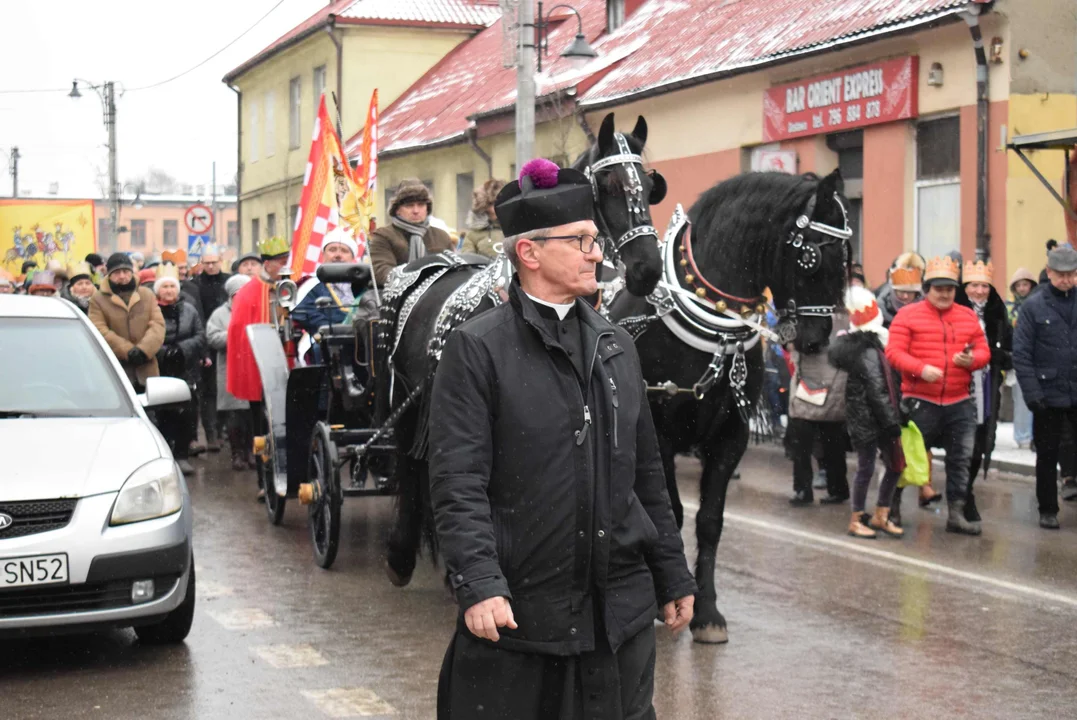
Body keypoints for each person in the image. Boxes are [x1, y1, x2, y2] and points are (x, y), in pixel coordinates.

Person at [429, 159, 696, 719]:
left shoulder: (617, 345)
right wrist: (478, 581)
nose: (597, 253)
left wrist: (672, 572)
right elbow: (459, 480)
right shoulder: (478, 349)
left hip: (617, 618)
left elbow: (647, 473)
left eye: (595, 240)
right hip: (524, 619)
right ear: (529, 253)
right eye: (580, 240)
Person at [886, 255, 989, 534]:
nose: (944, 294)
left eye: (949, 289)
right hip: (920, 401)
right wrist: (920, 369)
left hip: (959, 402)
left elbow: (983, 351)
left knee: (960, 461)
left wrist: (973, 360)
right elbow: (893, 352)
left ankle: (956, 514)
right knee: (906, 458)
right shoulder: (908, 314)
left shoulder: (967, 316)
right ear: (927, 288)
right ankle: (891, 508)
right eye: (938, 288)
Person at [829, 286, 904, 538]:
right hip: (871, 419)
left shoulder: (870, 346)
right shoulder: (871, 351)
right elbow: (878, 390)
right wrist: (893, 421)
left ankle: (879, 515)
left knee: (887, 466)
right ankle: (858, 518)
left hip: (867, 417)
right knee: (871, 467)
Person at [1013, 243, 1077, 529]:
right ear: (1049, 271)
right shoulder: (1033, 306)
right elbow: (1022, 354)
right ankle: (1048, 509)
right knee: (1048, 454)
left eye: (1071, 273)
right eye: (1060, 273)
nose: (1066, 279)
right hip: (1047, 393)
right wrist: (1032, 394)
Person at [228, 236, 292, 498]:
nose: (285, 266)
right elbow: (240, 332)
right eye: (280, 262)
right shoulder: (248, 292)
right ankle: (264, 482)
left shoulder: (291, 286)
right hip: (263, 367)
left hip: (290, 364)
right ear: (267, 264)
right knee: (263, 429)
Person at [957, 260, 1012, 524]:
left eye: (984, 286)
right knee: (960, 442)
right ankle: (957, 495)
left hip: (987, 383)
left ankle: (966, 492)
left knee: (981, 441)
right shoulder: (954, 308)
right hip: (958, 381)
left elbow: (1010, 345)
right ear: (965, 286)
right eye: (974, 285)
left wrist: (1000, 356)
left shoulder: (997, 311)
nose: (979, 291)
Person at [152, 266, 206, 474]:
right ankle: (165, 455)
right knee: (163, 413)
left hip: (185, 367)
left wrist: (182, 349)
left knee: (186, 412)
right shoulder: (152, 311)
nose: (168, 290)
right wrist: (164, 351)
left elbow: (200, 335)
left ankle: (182, 455)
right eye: (164, 286)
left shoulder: (189, 309)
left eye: (172, 286)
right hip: (161, 367)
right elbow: (148, 334)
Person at [786, 336, 850, 506]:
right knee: (833, 446)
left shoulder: (805, 323)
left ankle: (803, 490)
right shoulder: (846, 326)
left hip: (807, 392)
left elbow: (789, 343)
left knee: (802, 448)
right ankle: (837, 490)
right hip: (835, 391)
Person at [89, 252, 165, 391]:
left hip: (147, 370)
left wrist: (143, 350)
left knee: (150, 412)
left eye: (125, 271)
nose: (122, 276)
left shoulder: (146, 295)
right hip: (116, 370)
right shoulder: (98, 299)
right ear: (109, 274)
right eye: (117, 272)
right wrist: (127, 351)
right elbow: (99, 329)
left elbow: (157, 325)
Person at [207, 274, 254, 472]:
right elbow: (212, 337)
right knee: (235, 416)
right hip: (231, 368)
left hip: (253, 369)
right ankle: (237, 453)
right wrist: (235, 334)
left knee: (253, 415)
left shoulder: (256, 310)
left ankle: (252, 452)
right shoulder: (219, 314)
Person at [369, 179, 454, 286]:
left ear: (427, 208)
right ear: (397, 210)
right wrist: (416, 282)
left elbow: (454, 269)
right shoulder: (384, 236)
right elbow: (382, 272)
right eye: (409, 205)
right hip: (398, 296)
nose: (416, 211)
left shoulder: (441, 236)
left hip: (438, 294)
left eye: (421, 205)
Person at [190, 246, 232, 453]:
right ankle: (211, 433)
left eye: (214, 262)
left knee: (226, 387)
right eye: (206, 262)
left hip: (227, 340)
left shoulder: (229, 282)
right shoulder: (195, 285)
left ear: (220, 261)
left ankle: (223, 429)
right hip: (206, 342)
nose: (210, 266)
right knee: (208, 391)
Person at [1007, 268, 1038, 449]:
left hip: (1035, 356)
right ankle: (1022, 435)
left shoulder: (1038, 305)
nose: (1022, 288)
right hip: (1017, 356)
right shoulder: (1010, 308)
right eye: (1018, 285)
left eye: (1025, 284)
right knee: (1020, 399)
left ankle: (1033, 435)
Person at [458, 178, 506, 259]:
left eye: (498, 203)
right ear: (483, 207)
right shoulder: (472, 235)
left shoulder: (518, 231)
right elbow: (467, 262)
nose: (494, 208)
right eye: (491, 204)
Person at [878, 252, 926, 327]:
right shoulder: (880, 311)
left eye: (910, 292)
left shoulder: (926, 311)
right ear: (894, 290)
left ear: (917, 293)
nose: (905, 296)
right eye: (902, 291)